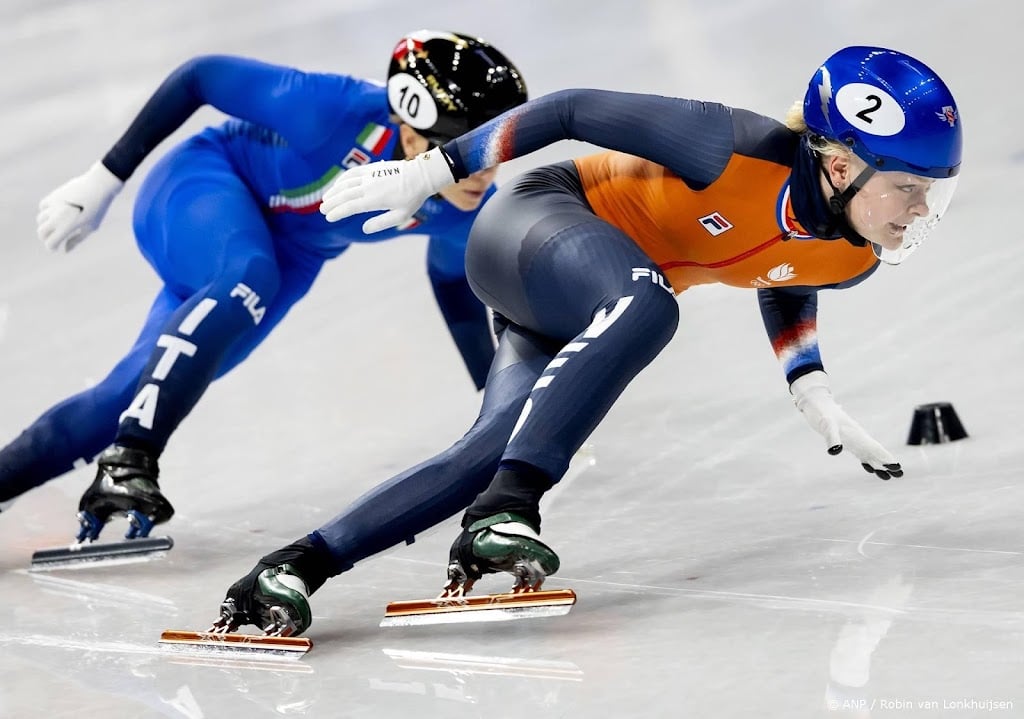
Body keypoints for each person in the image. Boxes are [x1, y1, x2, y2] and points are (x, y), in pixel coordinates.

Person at [213, 46, 961, 637]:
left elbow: (789, 267)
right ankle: (508, 510)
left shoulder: (857, 252)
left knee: (484, 453)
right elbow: (570, 109)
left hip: (591, 299)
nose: (921, 208)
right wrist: (432, 170)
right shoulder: (726, 145)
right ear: (840, 164)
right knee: (649, 305)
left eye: (934, 189)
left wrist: (810, 385)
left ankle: (292, 566)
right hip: (537, 225)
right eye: (911, 185)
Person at [0, 31, 529, 541]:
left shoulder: (468, 207)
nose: (481, 176)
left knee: (132, 394)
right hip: (205, 185)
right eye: (458, 152)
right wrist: (103, 178)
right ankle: (132, 457)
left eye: (492, 154)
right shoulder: (334, 110)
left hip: (288, 256)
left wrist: (494, 405)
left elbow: (452, 282)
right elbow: (201, 77)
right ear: (409, 128)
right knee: (248, 274)